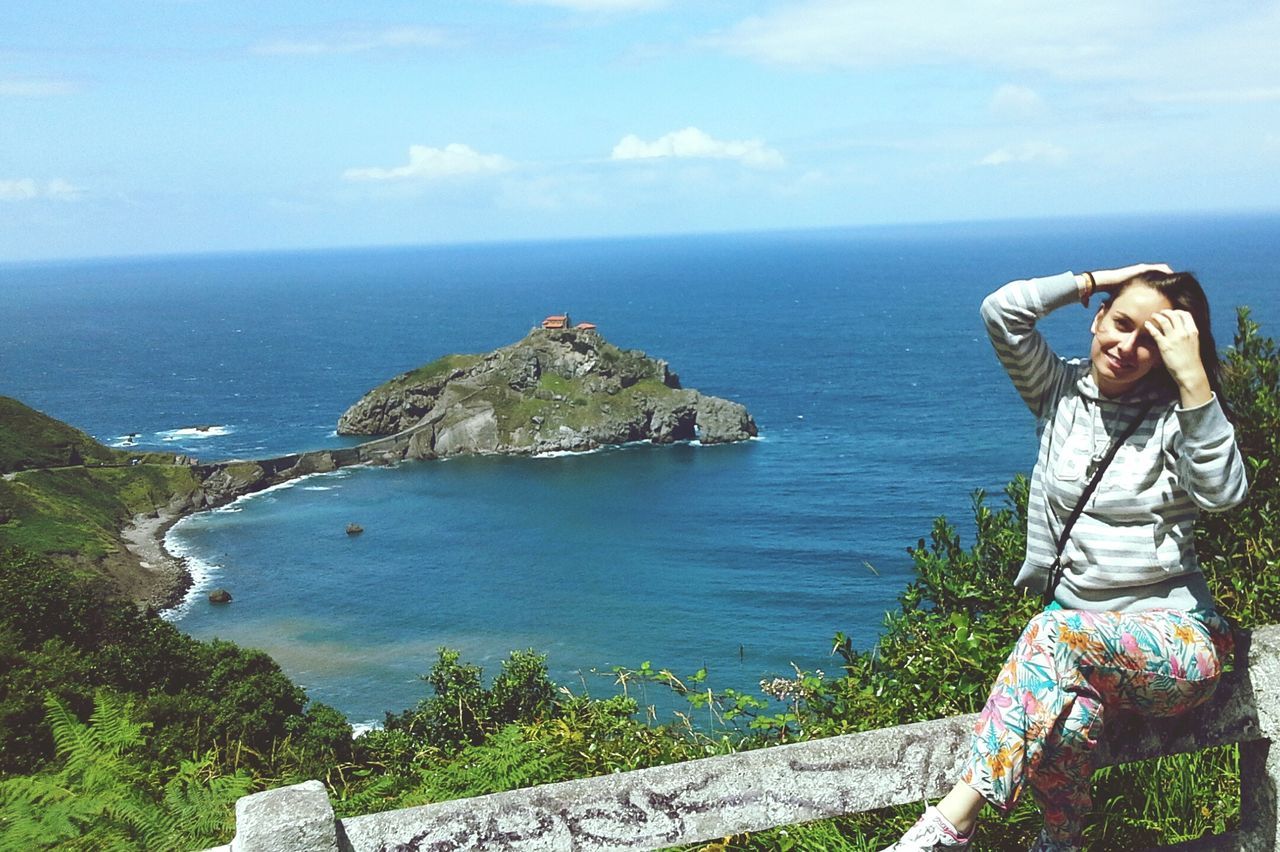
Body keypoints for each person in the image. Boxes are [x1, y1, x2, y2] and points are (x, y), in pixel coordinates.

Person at [881, 264, 1248, 852]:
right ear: (1098, 317)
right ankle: (1061, 842)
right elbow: (1002, 311)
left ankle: (949, 823)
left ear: (1169, 353)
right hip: (1085, 656)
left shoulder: (1177, 419)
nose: (1127, 346)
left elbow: (1225, 495)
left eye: (1151, 340)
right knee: (1069, 719)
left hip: (1178, 646)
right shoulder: (1060, 392)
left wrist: (1194, 379)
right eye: (1120, 322)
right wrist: (1099, 278)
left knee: (1052, 634)